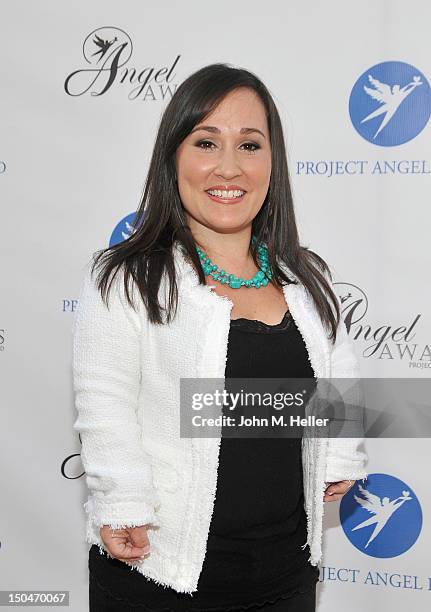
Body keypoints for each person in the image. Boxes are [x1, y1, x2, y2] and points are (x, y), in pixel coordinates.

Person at [72, 63, 368, 611]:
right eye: (206, 142)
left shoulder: (307, 278)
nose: (228, 167)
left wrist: (342, 455)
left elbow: (337, 376)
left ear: (272, 163)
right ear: (173, 158)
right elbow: (105, 404)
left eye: (250, 145)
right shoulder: (127, 277)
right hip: (158, 574)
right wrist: (121, 500)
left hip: (286, 576)